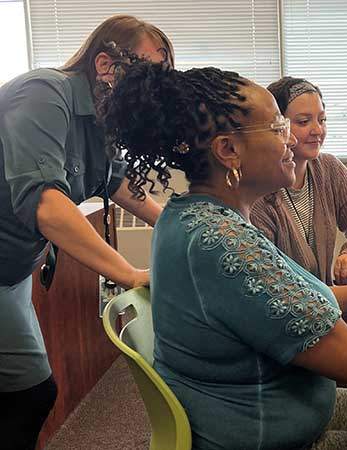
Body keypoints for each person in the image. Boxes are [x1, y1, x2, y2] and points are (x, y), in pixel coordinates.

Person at [103, 60, 347, 450]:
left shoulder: (192, 216)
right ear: (228, 150)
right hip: (267, 436)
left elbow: (296, 297)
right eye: (280, 127)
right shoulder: (223, 243)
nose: (293, 140)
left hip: (265, 411)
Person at [0, 15, 173, 449]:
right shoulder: (43, 93)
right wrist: (129, 273)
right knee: (28, 396)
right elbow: (45, 203)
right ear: (103, 65)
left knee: (31, 396)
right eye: (148, 74)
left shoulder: (102, 118)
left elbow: (116, 183)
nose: (155, 92)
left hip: (11, 271)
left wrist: (185, 222)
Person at [251, 76, 347, 286]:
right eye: (304, 122)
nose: (318, 130)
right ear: (276, 127)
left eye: (322, 120)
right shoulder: (259, 191)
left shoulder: (329, 168)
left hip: (329, 304)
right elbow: (277, 290)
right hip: (296, 310)